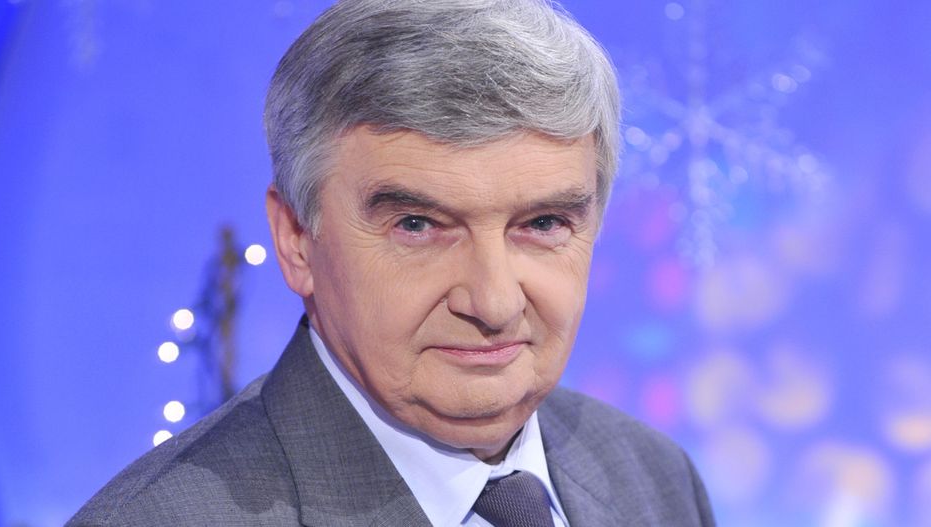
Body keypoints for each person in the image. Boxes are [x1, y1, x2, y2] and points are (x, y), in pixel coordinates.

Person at [69, 0, 715, 525]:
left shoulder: (654, 478)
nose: (494, 302)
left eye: (543, 223)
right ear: (295, 239)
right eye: (418, 226)